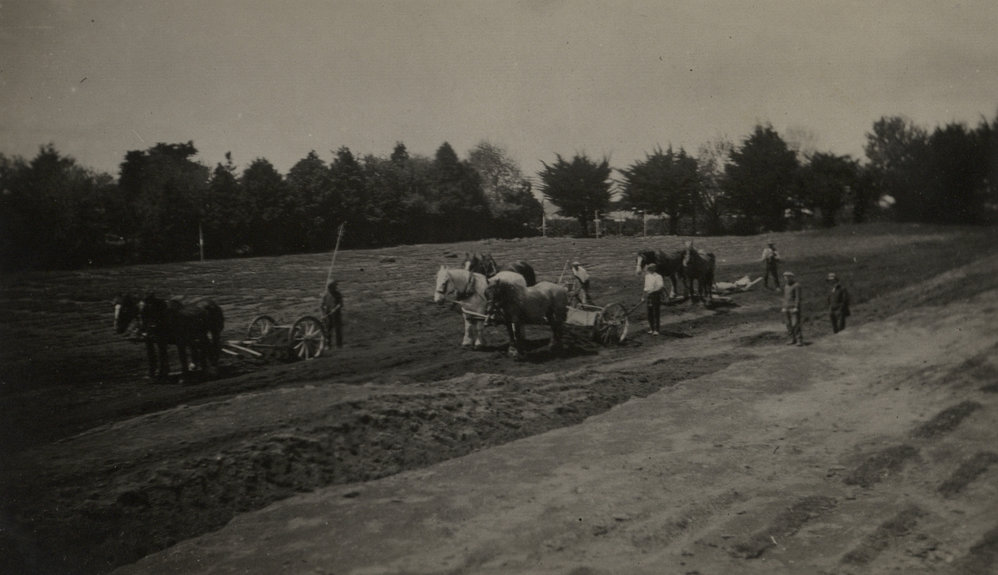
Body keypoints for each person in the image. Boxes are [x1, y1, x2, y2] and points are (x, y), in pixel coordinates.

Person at [641, 263, 664, 335]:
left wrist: (652, 291)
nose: (649, 270)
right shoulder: (647, 276)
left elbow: (660, 287)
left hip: (655, 296)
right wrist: (643, 296)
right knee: (649, 313)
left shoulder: (658, 276)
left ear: (654, 269)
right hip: (648, 296)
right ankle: (651, 329)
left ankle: (657, 330)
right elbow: (645, 287)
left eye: (651, 269)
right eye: (648, 269)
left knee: (655, 313)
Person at [781, 271, 803, 346]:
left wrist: (796, 307)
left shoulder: (796, 285)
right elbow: (785, 297)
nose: (786, 279)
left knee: (795, 324)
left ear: (791, 277)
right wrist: (783, 307)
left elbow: (798, 297)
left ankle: (799, 340)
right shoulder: (786, 286)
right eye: (785, 277)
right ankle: (791, 339)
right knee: (788, 324)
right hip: (786, 308)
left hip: (793, 308)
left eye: (788, 277)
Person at [321, 280, 343, 349]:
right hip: (328, 314)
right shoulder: (325, 295)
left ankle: (339, 345)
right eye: (334, 286)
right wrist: (323, 313)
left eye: (335, 286)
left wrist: (335, 309)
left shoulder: (338, 294)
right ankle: (328, 345)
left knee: (337, 330)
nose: (335, 288)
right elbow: (321, 305)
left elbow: (340, 304)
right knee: (328, 329)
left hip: (336, 314)